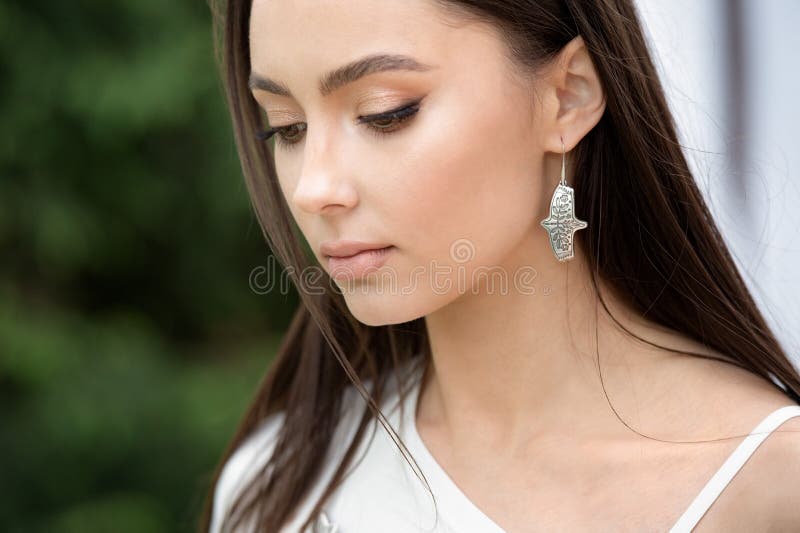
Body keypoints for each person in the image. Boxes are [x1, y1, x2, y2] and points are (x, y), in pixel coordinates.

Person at [199, 0, 800, 531]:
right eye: (286, 128)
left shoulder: (769, 484)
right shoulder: (278, 485)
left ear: (568, 96)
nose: (313, 188)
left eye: (386, 112)